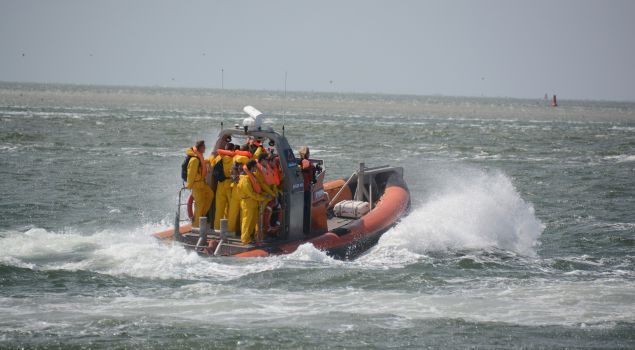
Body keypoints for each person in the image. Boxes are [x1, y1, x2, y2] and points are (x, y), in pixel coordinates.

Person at [185, 140, 213, 228]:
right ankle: (196, 226)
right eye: (204, 147)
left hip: (202, 183)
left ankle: (201, 216)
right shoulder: (194, 160)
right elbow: (191, 174)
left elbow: (202, 163)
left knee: (210, 195)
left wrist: (210, 160)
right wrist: (189, 186)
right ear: (200, 148)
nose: (205, 148)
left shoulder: (199, 157)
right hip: (196, 185)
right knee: (199, 204)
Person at [237, 160, 266, 244]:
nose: (256, 169)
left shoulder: (250, 177)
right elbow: (251, 193)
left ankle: (250, 236)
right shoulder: (244, 179)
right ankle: (245, 239)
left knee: (253, 220)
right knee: (247, 221)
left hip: (253, 202)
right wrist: (262, 198)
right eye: (255, 167)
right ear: (251, 167)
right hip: (247, 203)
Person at [212, 143, 235, 230]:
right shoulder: (234, 159)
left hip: (220, 185)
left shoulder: (218, 158)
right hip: (230, 185)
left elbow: (212, 166)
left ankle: (217, 228)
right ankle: (229, 228)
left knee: (219, 209)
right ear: (232, 151)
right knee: (231, 208)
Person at [299, 146, 317, 233]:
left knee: (300, 208)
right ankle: (306, 230)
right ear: (308, 154)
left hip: (298, 191)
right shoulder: (310, 165)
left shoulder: (298, 163)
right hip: (306, 189)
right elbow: (314, 179)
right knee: (306, 209)